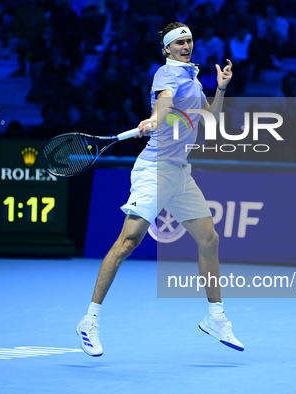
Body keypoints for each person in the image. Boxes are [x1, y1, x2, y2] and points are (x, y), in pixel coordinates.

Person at [76, 22, 244, 357]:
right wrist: (155, 119)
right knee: (127, 242)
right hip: (154, 171)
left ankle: (216, 318)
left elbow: (210, 120)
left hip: (180, 172)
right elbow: (164, 107)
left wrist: (221, 89)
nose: (186, 45)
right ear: (166, 48)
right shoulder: (166, 75)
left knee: (210, 239)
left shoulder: (193, 80)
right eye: (179, 42)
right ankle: (89, 320)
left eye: (190, 40)